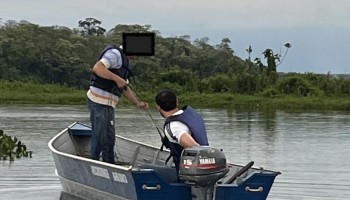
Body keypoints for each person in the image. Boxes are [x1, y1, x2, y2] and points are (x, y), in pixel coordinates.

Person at [87, 44, 149, 164]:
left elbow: (124, 87)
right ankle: (93, 163)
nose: (138, 57)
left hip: (109, 104)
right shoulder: (115, 55)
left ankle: (109, 164)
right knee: (100, 137)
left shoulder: (125, 61)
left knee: (109, 138)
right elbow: (97, 68)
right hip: (98, 101)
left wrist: (137, 103)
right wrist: (116, 79)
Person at [155, 89, 209, 172]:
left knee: (144, 167)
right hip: (202, 167)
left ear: (158, 106)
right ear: (177, 102)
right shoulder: (190, 115)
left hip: (190, 174)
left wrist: (214, 162)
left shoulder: (173, 127)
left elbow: (195, 147)